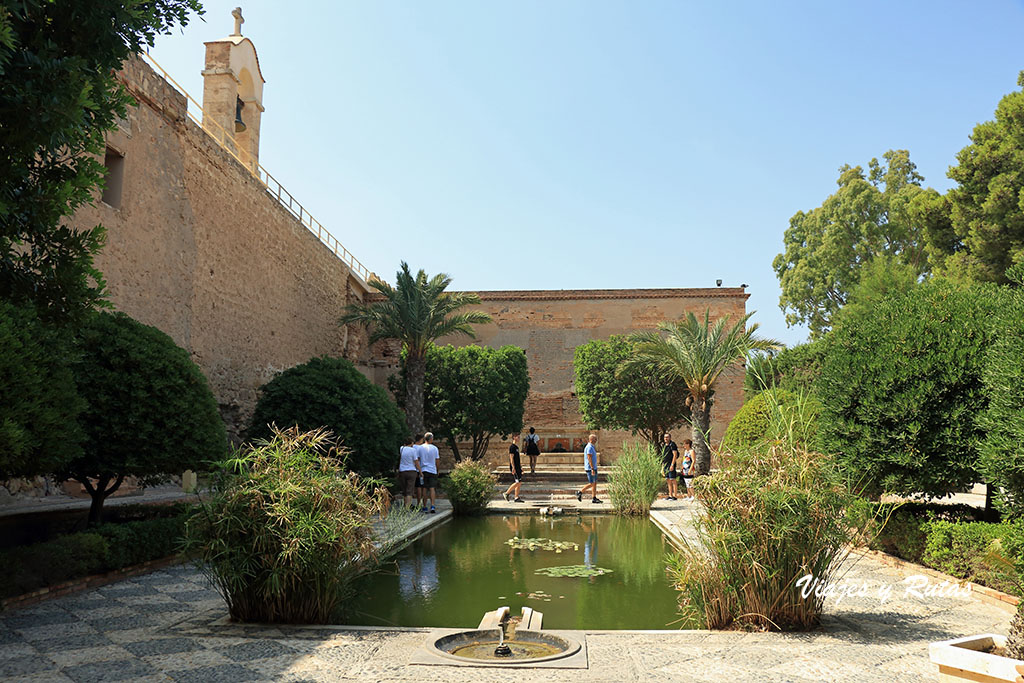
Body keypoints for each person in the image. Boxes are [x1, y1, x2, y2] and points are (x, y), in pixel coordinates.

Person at [576, 434, 601, 504]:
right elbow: (589, 458)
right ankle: (580, 492)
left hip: (594, 468)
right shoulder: (589, 447)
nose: (596, 440)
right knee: (592, 483)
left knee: (594, 483)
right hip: (590, 468)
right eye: (595, 439)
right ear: (591, 439)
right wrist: (592, 468)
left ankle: (594, 498)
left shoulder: (592, 447)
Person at [397, 435, 421, 508]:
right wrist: (420, 471)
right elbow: (416, 462)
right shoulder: (413, 450)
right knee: (409, 490)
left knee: (404, 490)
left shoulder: (402, 448)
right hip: (411, 471)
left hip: (402, 471)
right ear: (411, 443)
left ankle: (405, 505)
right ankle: (408, 506)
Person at [420, 432, 440, 513]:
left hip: (423, 470)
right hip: (432, 470)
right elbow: (437, 460)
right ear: (431, 439)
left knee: (424, 489)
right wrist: (437, 470)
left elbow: (417, 459)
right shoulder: (435, 448)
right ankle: (432, 506)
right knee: (432, 489)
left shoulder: (420, 448)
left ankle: (424, 506)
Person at [503, 433, 525, 503]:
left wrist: (520, 467)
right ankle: (506, 493)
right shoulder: (512, 447)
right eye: (518, 437)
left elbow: (517, 459)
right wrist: (513, 467)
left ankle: (516, 497)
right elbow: (511, 458)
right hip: (514, 467)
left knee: (519, 482)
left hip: (518, 467)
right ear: (514, 437)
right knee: (517, 482)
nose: (519, 438)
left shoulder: (516, 447)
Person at [661, 432, 680, 501]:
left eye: (667, 437)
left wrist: (672, 464)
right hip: (665, 464)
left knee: (673, 479)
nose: (666, 438)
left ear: (670, 438)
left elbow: (675, 455)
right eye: (665, 437)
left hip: (670, 464)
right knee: (668, 480)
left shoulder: (672, 445)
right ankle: (670, 494)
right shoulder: (664, 445)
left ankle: (675, 495)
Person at [413, 434, 426, 510]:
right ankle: (419, 503)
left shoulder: (412, 447)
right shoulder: (421, 448)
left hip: (412, 469)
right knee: (420, 487)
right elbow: (418, 459)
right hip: (419, 469)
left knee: (413, 488)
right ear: (421, 439)